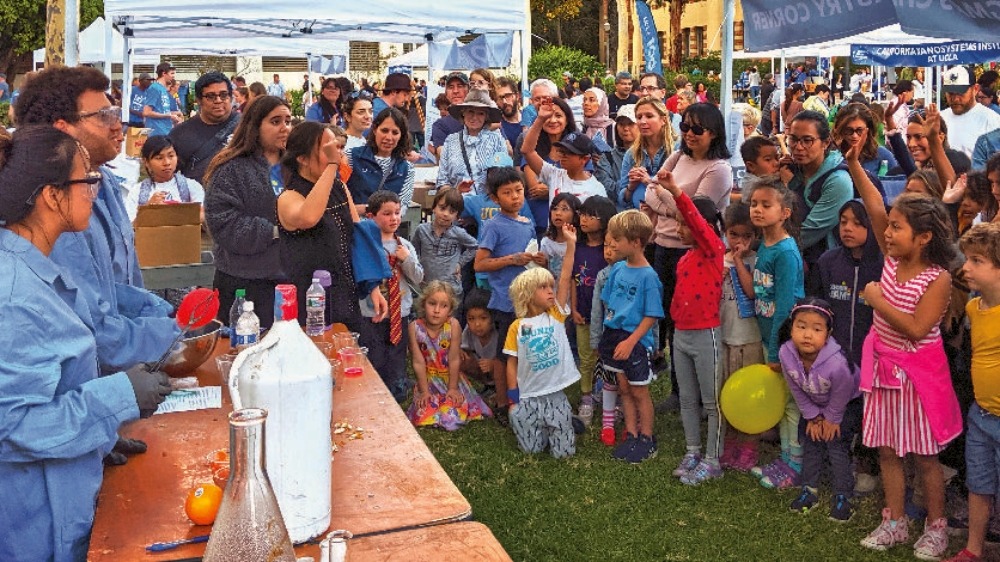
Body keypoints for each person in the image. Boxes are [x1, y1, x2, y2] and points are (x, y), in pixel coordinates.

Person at [0, 125, 172, 562]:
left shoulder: (34, 267)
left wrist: (96, 438)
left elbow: (54, 383)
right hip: (33, 524)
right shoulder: (14, 293)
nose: (96, 190)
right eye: (87, 179)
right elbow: (13, 424)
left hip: (60, 490)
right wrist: (116, 398)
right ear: (52, 195)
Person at [17, 65, 180, 392]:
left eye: (115, 111)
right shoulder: (55, 207)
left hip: (115, 378)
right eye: (104, 115)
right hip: (82, 391)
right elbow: (91, 322)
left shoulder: (103, 182)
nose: (117, 124)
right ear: (64, 130)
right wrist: (171, 335)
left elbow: (113, 290)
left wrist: (168, 318)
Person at [852, 146, 962, 558]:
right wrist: (852, 164)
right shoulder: (892, 258)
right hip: (884, 372)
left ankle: (936, 527)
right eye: (889, 227)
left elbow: (918, 329)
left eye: (897, 228)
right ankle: (894, 521)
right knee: (887, 450)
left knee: (924, 456)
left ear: (924, 236)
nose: (888, 233)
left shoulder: (937, 278)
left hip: (917, 378)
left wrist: (877, 301)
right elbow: (874, 202)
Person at [646, 103, 731, 412]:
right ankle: (678, 390)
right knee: (670, 319)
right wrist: (673, 203)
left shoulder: (718, 169)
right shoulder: (678, 156)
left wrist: (666, 201)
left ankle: (698, 394)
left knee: (695, 326)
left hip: (696, 253)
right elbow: (649, 193)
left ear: (714, 132)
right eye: (684, 127)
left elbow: (697, 213)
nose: (689, 134)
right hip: (664, 247)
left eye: (697, 129)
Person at [649, 170, 727, 485]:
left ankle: (713, 459)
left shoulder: (713, 252)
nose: (680, 230)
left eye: (684, 224)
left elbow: (695, 221)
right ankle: (693, 450)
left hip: (705, 335)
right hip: (681, 335)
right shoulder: (685, 259)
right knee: (687, 399)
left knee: (711, 402)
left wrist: (677, 194)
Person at [275, 121, 386, 333]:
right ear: (302, 158)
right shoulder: (288, 197)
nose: (336, 153)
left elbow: (358, 236)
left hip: (344, 291)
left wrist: (372, 286)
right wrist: (332, 167)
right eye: (327, 149)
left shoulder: (338, 187)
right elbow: (309, 217)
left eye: (337, 147)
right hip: (309, 298)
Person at [204, 96, 292, 328]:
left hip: (289, 280)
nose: (285, 128)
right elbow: (223, 222)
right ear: (255, 126)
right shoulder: (230, 169)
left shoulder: (298, 166)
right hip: (245, 283)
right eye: (275, 121)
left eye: (288, 120)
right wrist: (273, 231)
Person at [945, 223, 1000, 562]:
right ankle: (973, 550)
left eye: (977, 260)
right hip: (980, 415)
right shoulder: (971, 309)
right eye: (967, 259)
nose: (966, 267)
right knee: (978, 486)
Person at [746, 177, 805, 489]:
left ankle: (793, 465)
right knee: (782, 403)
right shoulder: (764, 246)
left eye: (765, 205)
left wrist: (775, 350)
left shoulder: (785, 253)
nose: (757, 210)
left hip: (784, 344)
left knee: (791, 406)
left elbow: (785, 308)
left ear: (785, 212)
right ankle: (784, 459)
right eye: (754, 204)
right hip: (769, 337)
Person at [780, 298, 863, 521]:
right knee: (810, 440)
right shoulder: (786, 353)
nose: (807, 334)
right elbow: (796, 388)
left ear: (828, 334)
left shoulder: (837, 363)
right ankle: (809, 489)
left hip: (846, 404)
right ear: (791, 327)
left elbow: (842, 393)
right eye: (801, 326)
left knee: (836, 445)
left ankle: (844, 495)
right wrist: (813, 417)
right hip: (814, 404)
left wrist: (831, 419)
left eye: (817, 329)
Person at [505, 225, 580, 458]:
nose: (551, 291)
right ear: (527, 295)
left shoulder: (556, 315)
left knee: (564, 453)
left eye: (550, 286)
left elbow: (565, 276)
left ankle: (565, 423)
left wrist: (571, 244)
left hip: (555, 394)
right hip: (527, 396)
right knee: (531, 450)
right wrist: (513, 398)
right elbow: (511, 364)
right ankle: (544, 428)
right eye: (543, 287)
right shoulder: (517, 327)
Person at [474, 166, 540, 425]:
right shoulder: (493, 225)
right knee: (505, 355)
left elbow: (530, 255)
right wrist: (511, 259)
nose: (515, 197)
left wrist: (538, 258)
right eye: (507, 192)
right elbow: (480, 264)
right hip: (505, 300)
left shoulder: (527, 222)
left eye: (519, 190)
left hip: (528, 300)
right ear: (494, 197)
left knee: (524, 353)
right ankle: (503, 403)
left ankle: (524, 397)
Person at [599, 210, 664, 463]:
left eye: (617, 239)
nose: (612, 244)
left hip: (634, 342)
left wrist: (631, 341)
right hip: (613, 336)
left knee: (639, 392)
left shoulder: (649, 276)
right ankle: (632, 435)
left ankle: (647, 439)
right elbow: (608, 302)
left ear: (636, 242)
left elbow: (652, 315)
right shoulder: (617, 269)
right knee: (623, 389)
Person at [360, 190, 424, 402]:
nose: (394, 218)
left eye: (397, 212)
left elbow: (418, 277)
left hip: (400, 312)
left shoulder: (404, 245)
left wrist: (406, 260)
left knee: (396, 356)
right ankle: (373, 396)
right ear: (371, 217)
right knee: (374, 356)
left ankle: (396, 394)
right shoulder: (365, 246)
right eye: (387, 213)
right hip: (371, 312)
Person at [716, 202, 765, 472]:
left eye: (747, 236)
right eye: (734, 235)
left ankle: (749, 445)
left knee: (748, 395)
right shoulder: (715, 259)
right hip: (724, 337)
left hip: (749, 338)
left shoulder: (756, 260)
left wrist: (737, 260)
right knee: (726, 391)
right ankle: (730, 440)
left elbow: (751, 293)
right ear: (725, 232)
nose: (740, 241)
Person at [784, 110, 855, 296]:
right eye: (793, 139)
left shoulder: (838, 181)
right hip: (796, 260)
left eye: (807, 140)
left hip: (825, 270)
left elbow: (809, 232)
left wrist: (768, 246)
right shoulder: (792, 169)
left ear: (825, 143)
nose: (798, 147)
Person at [407, 280, 492, 430]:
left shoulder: (453, 326)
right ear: (423, 304)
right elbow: (418, 362)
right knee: (423, 415)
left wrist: (452, 388)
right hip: (428, 381)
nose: (437, 310)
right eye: (432, 303)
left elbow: (453, 359)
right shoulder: (414, 328)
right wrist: (424, 391)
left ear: (450, 309)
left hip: (450, 379)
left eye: (443, 306)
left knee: (453, 414)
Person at [569, 196, 615, 426]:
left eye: (591, 215)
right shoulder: (577, 247)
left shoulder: (611, 252)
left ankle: (607, 395)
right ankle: (587, 397)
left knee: (606, 356)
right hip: (583, 313)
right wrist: (574, 308)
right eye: (583, 214)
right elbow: (573, 280)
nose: (584, 219)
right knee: (585, 358)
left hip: (608, 317)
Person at [522, 102, 606, 204]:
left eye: (570, 153)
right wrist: (540, 119)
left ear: (585, 159)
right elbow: (527, 151)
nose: (563, 156)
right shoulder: (554, 175)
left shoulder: (596, 189)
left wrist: (549, 190)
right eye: (562, 152)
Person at [168, 71, 240, 184]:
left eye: (223, 95)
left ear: (231, 97)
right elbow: (167, 176)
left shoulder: (247, 127)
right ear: (198, 100)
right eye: (211, 96)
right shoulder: (179, 134)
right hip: (200, 198)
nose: (218, 100)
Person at [436, 89, 508, 196]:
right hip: (458, 207)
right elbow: (442, 181)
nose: (475, 117)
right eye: (470, 111)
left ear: (486, 117)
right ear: (463, 113)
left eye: (480, 113)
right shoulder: (450, 141)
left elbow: (505, 177)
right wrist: (455, 192)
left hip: (487, 208)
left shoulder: (497, 141)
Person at [412, 187, 478, 297]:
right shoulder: (422, 230)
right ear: (434, 208)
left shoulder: (458, 233)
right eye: (442, 208)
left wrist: (460, 263)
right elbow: (413, 251)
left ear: (457, 215)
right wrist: (418, 269)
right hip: (427, 288)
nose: (446, 214)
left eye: (452, 211)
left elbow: (475, 247)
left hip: (452, 290)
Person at [346, 107, 415, 208]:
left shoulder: (407, 168)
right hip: (355, 222)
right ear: (374, 130)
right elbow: (340, 196)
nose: (388, 137)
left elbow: (402, 206)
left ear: (401, 136)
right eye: (384, 131)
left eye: (395, 133)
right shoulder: (352, 156)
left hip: (388, 223)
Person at [618, 97, 675, 210]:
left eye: (649, 116)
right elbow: (623, 200)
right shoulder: (632, 153)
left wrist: (649, 181)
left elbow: (680, 193)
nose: (643, 121)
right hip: (639, 217)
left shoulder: (677, 150)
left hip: (668, 218)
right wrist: (631, 187)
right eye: (639, 117)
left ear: (663, 120)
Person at [137, 135, 205, 221]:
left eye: (171, 156)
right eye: (159, 158)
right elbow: (130, 226)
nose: (167, 162)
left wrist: (173, 212)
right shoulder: (137, 191)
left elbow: (203, 215)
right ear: (146, 162)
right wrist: (148, 210)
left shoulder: (191, 186)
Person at [940, 65, 1000, 158]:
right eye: (950, 93)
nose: (955, 99)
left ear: (975, 89)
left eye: (960, 93)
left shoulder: (991, 120)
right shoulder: (940, 118)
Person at [832, 103, 897, 179]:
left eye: (860, 130)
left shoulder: (882, 154)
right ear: (840, 130)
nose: (854, 136)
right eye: (849, 130)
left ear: (869, 130)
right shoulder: (832, 155)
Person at [594, 104, 637, 207]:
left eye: (631, 124)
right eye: (621, 124)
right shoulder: (608, 157)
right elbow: (607, 189)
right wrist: (632, 182)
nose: (626, 128)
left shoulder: (650, 155)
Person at [539, 193, 581, 297]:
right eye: (554, 209)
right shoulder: (546, 242)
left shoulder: (579, 242)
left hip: (575, 296)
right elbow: (545, 275)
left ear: (575, 215)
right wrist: (543, 263)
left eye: (564, 209)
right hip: (554, 295)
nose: (558, 213)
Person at [460, 288, 498, 386]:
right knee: (460, 358)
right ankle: (483, 386)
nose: (477, 324)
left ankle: (500, 392)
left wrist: (494, 364)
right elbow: (463, 348)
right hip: (481, 370)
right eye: (471, 319)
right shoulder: (468, 331)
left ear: (492, 318)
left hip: (499, 373)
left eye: (483, 318)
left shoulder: (499, 334)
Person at [430, 72, 471, 159]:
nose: (455, 91)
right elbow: (444, 155)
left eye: (460, 86)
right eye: (450, 87)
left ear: (468, 89)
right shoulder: (440, 125)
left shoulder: (483, 117)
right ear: (446, 93)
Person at [143, 62, 181, 136]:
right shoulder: (155, 88)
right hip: (156, 133)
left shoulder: (163, 89)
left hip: (165, 131)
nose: (174, 76)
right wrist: (169, 116)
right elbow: (146, 112)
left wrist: (173, 116)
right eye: (172, 73)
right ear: (164, 73)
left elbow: (162, 111)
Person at [495, 76, 524, 147]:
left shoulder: (530, 119)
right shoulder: (497, 127)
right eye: (500, 98)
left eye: (508, 96)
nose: (504, 101)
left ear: (517, 96)